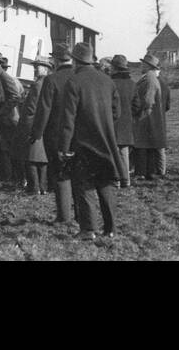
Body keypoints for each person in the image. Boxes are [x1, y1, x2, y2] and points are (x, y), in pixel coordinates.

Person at [57, 43, 124, 240]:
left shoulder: (74, 82)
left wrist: (64, 147)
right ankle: (110, 229)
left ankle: (88, 229)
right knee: (106, 185)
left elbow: (68, 118)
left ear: (76, 61)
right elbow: (116, 112)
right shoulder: (107, 81)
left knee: (84, 185)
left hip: (83, 143)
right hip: (106, 141)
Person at [30, 43, 76, 225]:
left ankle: (64, 216)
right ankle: (81, 215)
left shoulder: (51, 80)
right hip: (80, 134)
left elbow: (44, 110)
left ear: (55, 60)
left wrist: (36, 133)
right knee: (78, 177)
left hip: (56, 135)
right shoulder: (79, 77)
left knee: (60, 175)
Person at [0, 51, 24, 189]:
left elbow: (15, 97)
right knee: (2, 148)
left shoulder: (4, 77)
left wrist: (1, 112)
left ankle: (10, 177)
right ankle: (7, 176)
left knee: (6, 148)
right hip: (3, 117)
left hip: (8, 118)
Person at [16, 56, 53, 195]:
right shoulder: (46, 83)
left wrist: (26, 125)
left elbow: (31, 108)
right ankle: (42, 187)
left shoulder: (38, 84)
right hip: (44, 124)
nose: (35, 68)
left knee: (31, 158)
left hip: (33, 124)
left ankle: (34, 187)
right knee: (41, 158)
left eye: (38, 66)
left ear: (46, 69)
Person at [131, 54, 168, 181]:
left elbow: (148, 100)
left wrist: (137, 110)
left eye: (143, 63)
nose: (141, 65)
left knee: (142, 145)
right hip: (148, 116)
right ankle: (147, 172)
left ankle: (142, 172)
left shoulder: (149, 79)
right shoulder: (150, 78)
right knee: (147, 145)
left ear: (148, 66)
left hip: (145, 117)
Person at [109, 55, 136, 187]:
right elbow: (137, 105)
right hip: (126, 122)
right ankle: (126, 180)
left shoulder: (109, 83)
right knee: (124, 152)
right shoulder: (132, 84)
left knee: (112, 152)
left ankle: (116, 180)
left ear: (114, 67)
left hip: (111, 121)